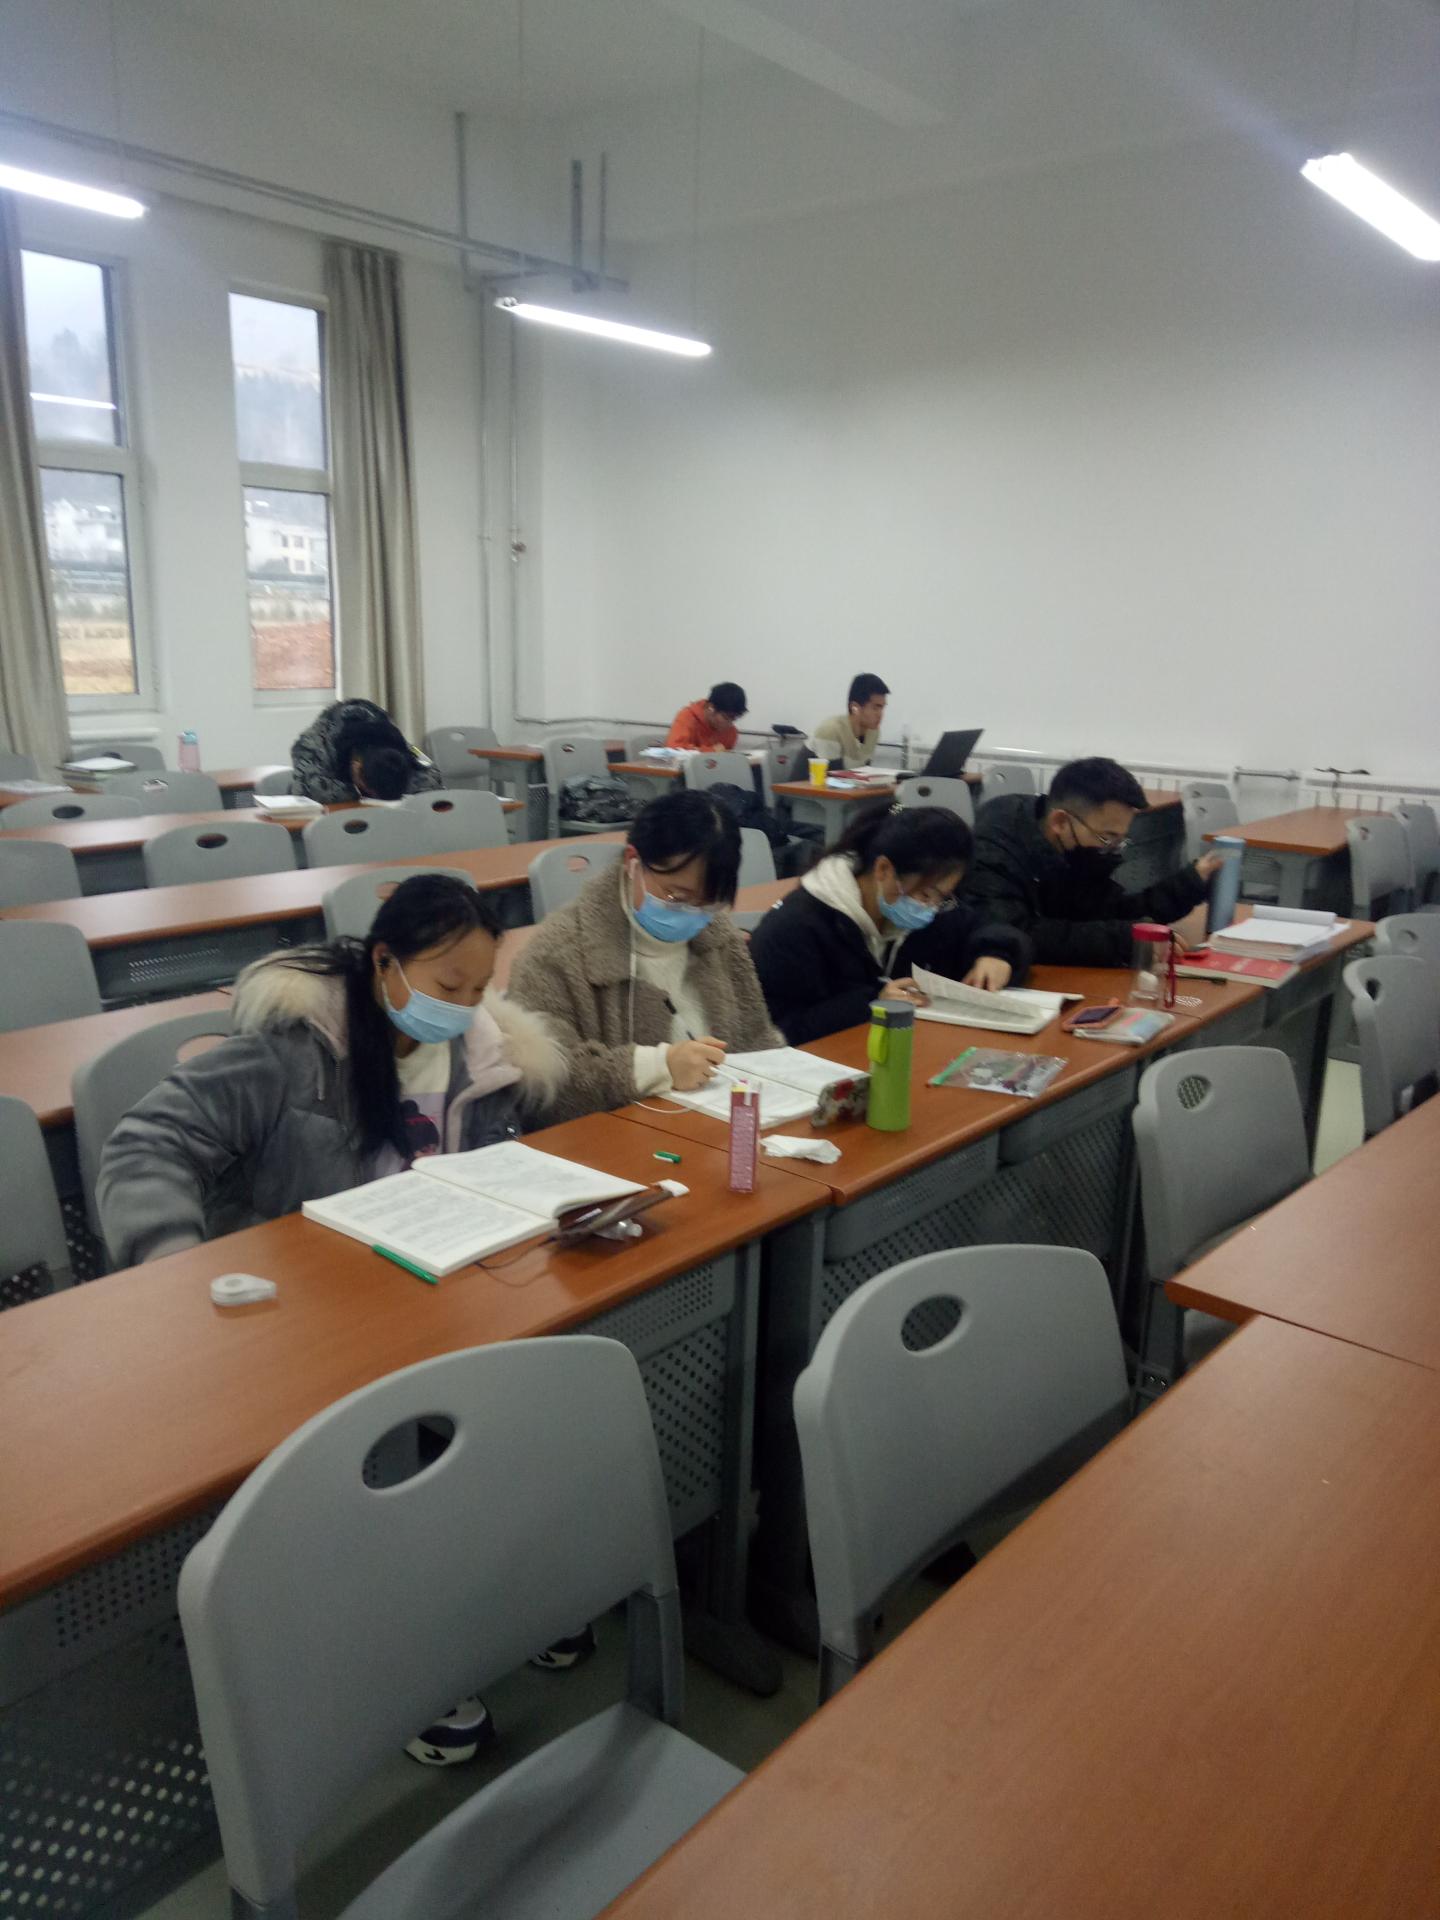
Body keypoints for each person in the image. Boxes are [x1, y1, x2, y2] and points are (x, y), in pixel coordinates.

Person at [98, 875, 565, 1267]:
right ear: (384, 961)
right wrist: (172, 1259)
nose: (463, 1006)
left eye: (479, 989)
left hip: (434, 1277)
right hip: (302, 1286)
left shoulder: (485, 1060)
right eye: (448, 986)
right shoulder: (295, 1049)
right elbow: (149, 1142)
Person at [508, 789, 781, 1124]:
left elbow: (758, 1041)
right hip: (620, 1137)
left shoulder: (719, 938)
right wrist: (656, 1068)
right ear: (632, 862)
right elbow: (549, 1087)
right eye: (676, 896)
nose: (693, 915)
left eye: (708, 904)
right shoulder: (556, 956)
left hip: (717, 1128)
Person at [750, 801, 1030, 1045]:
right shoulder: (798, 927)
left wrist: (996, 954)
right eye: (926, 895)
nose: (931, 908)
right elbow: (776, 1031)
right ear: (883, 869)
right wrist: (871, 1003)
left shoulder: (927, 910)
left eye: (942, 898)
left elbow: (985, 926)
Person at [965, 756, 1224, 967]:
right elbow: (1015, 933)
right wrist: (1126, 940)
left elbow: (1108, 911)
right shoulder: (995, 846)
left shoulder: (1076, 848)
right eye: (1106, 837)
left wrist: (1189, 883)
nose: (1110, 848)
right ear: (1060, 822)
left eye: (1120, 839)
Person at [290, 696, 443, 803]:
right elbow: (304, 788)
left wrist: (395, 788)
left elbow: (432, 774)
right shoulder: (318, 742)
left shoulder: (394, 742)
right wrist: (356, 792)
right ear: (356, 767)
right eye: (369, 790)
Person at [811, 672, 889, 769]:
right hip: (810, 778)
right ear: (855, 708)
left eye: (882, 708)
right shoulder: (830, 730)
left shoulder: (873, 732)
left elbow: (864, 772)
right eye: (875, 708)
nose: (880, 714)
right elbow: (829, 775)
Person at [666, 683, 748, 753]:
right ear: (711, 708)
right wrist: (712, 751)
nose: (729, 724)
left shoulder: (731, 733)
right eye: (726, 717)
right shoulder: (687, 717)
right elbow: (673, 749)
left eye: (734, 719)